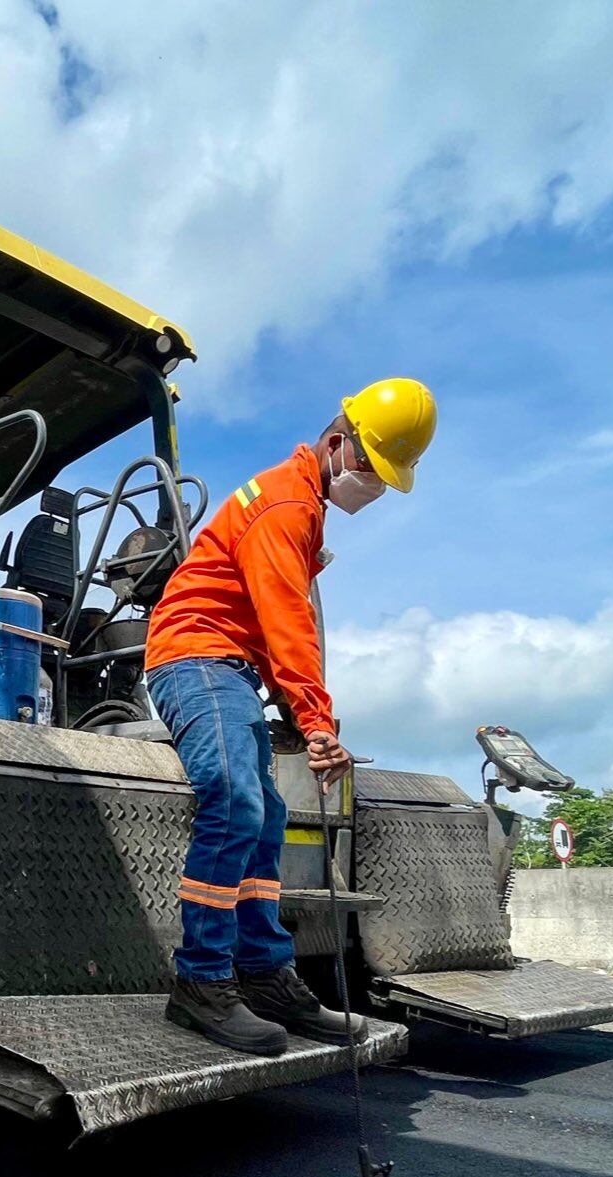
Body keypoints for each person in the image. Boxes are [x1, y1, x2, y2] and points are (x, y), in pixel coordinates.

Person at [143, 378, 437, 1055]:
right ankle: (201, 982)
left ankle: (266, 975)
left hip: (229, 666)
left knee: (266, 816)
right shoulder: (286, 505)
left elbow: (271, 630)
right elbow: (287, 624)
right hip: (196, 658)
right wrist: (316, 720)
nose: (373, 483)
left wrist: (309, 720)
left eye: (384, 474)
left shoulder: (300, 504)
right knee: (234, 801)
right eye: (370, 464)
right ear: (336, 442)